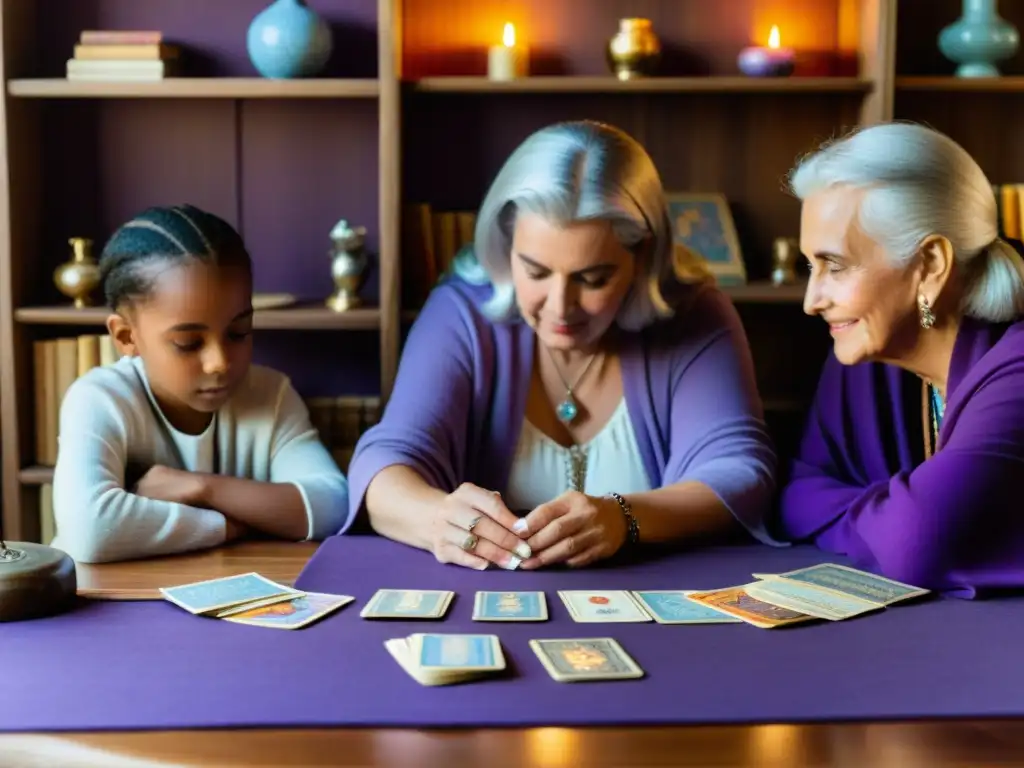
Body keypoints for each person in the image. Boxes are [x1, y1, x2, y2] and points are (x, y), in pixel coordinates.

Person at [345, 120, 781, 571]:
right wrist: (436, 518)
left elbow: (740, 471)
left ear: (643, 257)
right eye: (535, 272)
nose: (559, 307)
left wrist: (623, 517)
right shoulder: (461, 312)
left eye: (592, 279)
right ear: (506, 244)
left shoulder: (694, 315)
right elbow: (382, 466)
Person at [777, 121, 1024, 598]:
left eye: (836, 265)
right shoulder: (870, 345)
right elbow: (796, 491)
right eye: (811, 266)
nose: (812, 300)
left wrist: (903, 519)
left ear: (929, 265)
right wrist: (894, 513)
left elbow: (919, 543)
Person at [51, 204, 349, 563]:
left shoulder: (271, 394)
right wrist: (232, 524)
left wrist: (198, 487)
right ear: (127, 336)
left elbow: (332, 506)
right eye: (188, 343)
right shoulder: (98, 399)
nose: (220, 362)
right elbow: (89, 531)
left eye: (239, 333)